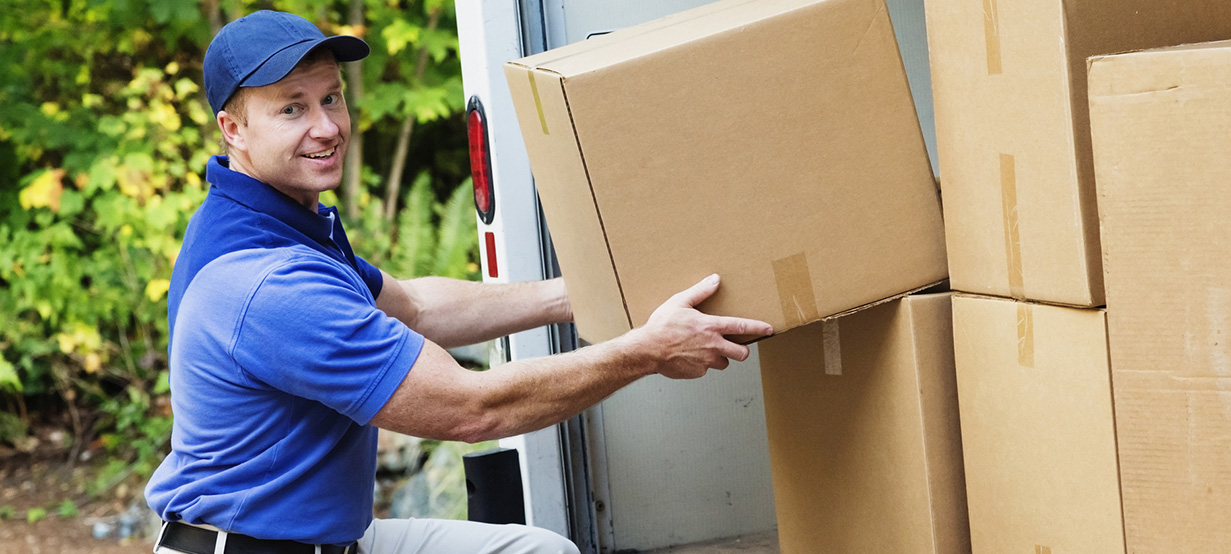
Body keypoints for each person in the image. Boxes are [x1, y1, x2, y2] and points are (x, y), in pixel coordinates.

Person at [144, 10, 772, 554]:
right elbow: (473, 408)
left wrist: (581, 297)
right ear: (234, 130)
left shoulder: (270, 221)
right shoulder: (269, 286)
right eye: (292, 109)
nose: (328, 127)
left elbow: (414, 306)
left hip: (319, 540)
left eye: (331, 98)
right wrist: (648, 352)